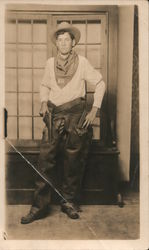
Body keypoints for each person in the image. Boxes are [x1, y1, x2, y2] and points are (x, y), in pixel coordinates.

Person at [21, 22, 105, 224]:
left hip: (76, 116)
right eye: (60, 39)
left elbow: (101, 82)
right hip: (55, 115)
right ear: (56, 44)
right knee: (45, 161)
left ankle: (69, 203)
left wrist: (95, 109)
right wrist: (43, 101)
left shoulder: (83, 62)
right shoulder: (50, 63)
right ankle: (39, 207)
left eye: (67, 39)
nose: (63, 43)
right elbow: (44, 85)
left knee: (73, 161)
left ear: (73, 42)